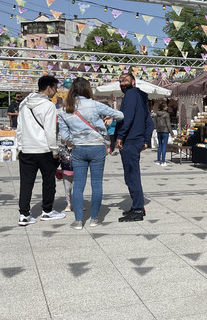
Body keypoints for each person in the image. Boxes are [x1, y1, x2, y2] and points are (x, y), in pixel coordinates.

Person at [57, 77, 124, 230]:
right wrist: (108, 118)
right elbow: (120, 115)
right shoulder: (95, 105)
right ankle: (94, 219)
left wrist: (73, 138)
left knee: (79, 185)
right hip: (97, 147)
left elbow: (64, 137)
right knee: (96, 184)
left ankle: (78, 221)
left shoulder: (64, 108)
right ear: (88, 89)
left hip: (78, 148)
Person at [15, 75, 65, 226]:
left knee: (26, 182)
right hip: (44, 150)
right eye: (55, 88)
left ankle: (24, 214)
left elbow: (19, 128)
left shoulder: (24, 103)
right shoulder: (49, 106)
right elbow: (50, 131)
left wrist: (20, 146)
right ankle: (47, 211)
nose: (55, 92)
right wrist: (55, 150)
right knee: (48, 181)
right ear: (49, 87)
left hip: (27, 149)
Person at [115, 73, 154, 222]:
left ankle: (138, 209)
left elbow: (128, 117)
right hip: (135, 141)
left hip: (130, 141)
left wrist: (120, 136)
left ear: (133, 82)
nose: (122, 83)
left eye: (124, 80)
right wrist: (146, 140)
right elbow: (149, 123)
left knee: (131, 176)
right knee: (132, 175)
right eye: (120, 81)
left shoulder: (131, 95)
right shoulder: (140, 97)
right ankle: (137, 206)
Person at [153, 101, 172, 166]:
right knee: (164, 146)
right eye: (166, 106)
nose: (167, 107)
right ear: (164, 107)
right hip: (165, 131)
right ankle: (163, 161)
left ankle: (158, 160)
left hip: (159, 131)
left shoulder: (157, 114)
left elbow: (155, 123)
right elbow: (168, 124)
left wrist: (157, 128)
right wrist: (171, 132)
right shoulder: (166, 114)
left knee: (160, 145)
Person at [57, 143, 74, 212]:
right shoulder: (61, 149)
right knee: (67, 189)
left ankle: (77, 203)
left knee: (77, 189)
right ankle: (69, 203)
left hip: (77, 171)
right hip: (65, 172)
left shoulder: (78, 147)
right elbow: (58, 159)